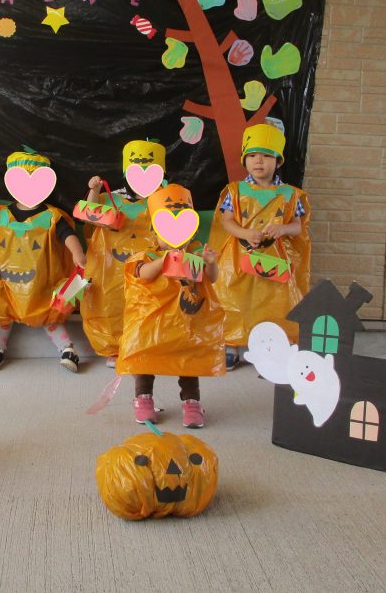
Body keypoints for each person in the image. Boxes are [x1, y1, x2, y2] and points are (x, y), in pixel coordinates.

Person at [117, 184, 224, 428]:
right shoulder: (147, 256)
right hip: (153, 324)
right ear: (154, 234)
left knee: (188, 361)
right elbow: (142, 274)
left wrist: (210, 263)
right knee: (146, 358)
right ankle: (143, 400)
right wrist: (165, 260)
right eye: (166, 229)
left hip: (187, 322)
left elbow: (213, 279)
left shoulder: (196, 252)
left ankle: (191, 402)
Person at [208, 120, 311, 369]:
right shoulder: (235, 191)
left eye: (266, 156)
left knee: (273, 303)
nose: (258, 161)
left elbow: (298, 226)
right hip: (238, 258)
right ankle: (231, 344)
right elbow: (227, 221)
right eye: (252, 155)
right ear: (244, 160)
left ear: (278, 161)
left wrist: (282, 228)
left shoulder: (290, 194)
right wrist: (245, 232)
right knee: (234, 298)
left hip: (274, 259)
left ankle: (271, 347)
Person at [0, 148, 86, 373]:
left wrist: (77, 253)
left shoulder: (52, 216)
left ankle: (67, 349)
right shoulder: (1, 214)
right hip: (5, 283)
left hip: (41, 284)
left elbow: (68, 235)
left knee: (50, 315)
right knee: (1, 315)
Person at [80, 139, 162, 367]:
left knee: (148, 303)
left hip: (148, 265)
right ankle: (114, 348)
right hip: (110, 266)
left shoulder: (162, 199)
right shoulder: (112, 196)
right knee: (112, 304)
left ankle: (144, 344)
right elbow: (90, 214)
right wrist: (94, 191)